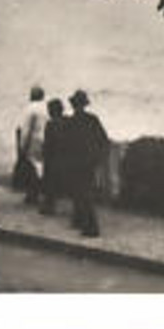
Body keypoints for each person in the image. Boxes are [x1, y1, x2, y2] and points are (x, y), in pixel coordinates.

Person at [66, 90, 110, 238]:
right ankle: (80, 221)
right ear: (84, 105)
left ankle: (90, 227)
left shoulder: (70, 122)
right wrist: (98, 158)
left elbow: (66, 145)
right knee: (84, 192)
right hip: (89, 162)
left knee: (80, 193)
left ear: (73, 105)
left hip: (75, 162)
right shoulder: (92, 119)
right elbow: (103, 140)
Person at [15, 86, 47, 205]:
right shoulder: (45, 108)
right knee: (40, 167)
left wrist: (23, 146)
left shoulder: (30, 109)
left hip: (34, 141)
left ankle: (32, 194)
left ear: (32, 95)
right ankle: (39, 193)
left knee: (32, 168)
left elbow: (27, 129)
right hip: (45, 140)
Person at [38, 98, 69, 216]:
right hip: (67, 157)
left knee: (49, 183)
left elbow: (48, 143)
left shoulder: (51, 124)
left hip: (54, 158)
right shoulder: (67, 121)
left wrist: (44, 155)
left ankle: (49, 207)